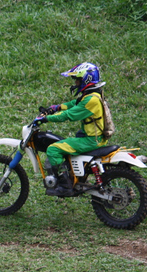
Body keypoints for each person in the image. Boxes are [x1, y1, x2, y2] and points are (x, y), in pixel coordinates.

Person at [34, 62, 108, 197]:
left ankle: (65, 186)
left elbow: (70, 114)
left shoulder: (91, 100)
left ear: (86, 79)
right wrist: (55, 107)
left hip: (91, 140)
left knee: (53, 149)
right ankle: (71, 176)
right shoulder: (92, 96)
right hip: (92, 137)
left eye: (77, 79)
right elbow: (74, 104)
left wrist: (46, 119)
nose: (75, 82)